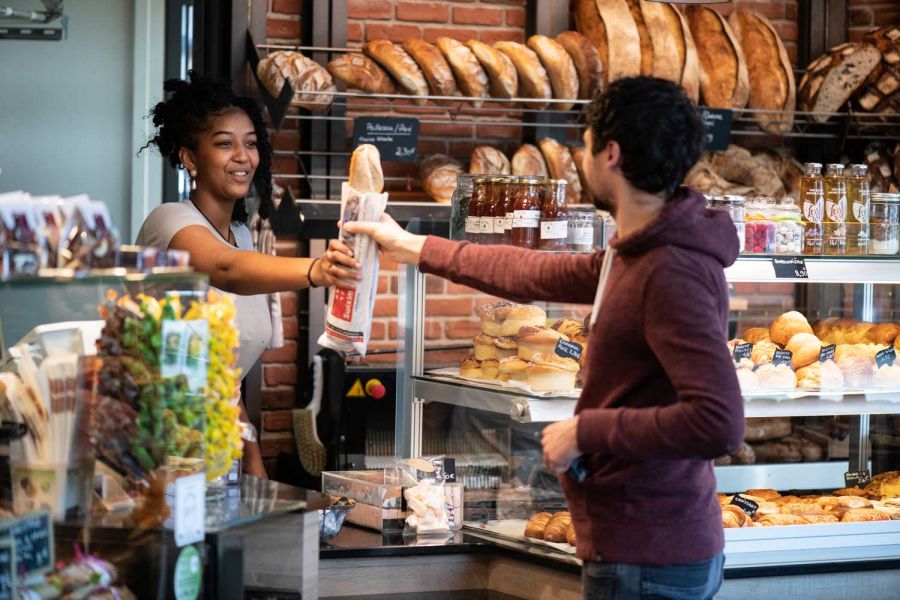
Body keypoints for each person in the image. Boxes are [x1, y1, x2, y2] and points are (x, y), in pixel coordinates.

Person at [346, 77, 745, 599]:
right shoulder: (636, 252)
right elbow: (537, 273)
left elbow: (718, 422)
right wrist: (416, 246)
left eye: (586, 141)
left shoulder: (671, 269)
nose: (580, 153)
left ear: (611, 154)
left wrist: (585, 431)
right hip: (636, 541)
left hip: (650, 553)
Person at [136, 72, 360, 478]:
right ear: (190, 158)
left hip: (214, 450)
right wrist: (316, 269)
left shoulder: (241, 236)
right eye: (225, 143)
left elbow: (226, 377)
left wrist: (254, 465)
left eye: (251, 143)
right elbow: (225, 269)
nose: (243, 156)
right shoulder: (169, 222)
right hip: (154, 445)